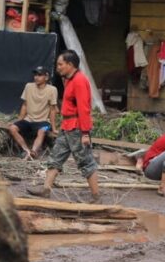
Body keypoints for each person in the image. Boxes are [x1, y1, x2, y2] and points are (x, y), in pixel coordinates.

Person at [27, 50, 100, 202]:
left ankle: (96, 196)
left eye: (60, 64)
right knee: (55, 158)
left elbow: (84, 108)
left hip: (77, 128)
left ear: (70, 64)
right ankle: (46, 190)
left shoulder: (79, 80)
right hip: (67, 126)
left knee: (85, 161)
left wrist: (85, 133)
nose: (58, 67)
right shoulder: (70, 79)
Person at [8, 66, 58, 159]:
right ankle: (26, 150)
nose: (36, 77)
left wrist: (54, 128)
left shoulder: (52, 90)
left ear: (46, 77)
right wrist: (18, 120)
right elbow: (24, 105)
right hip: (29, 120)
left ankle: (34, 151)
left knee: (42, 131)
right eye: (35, 75)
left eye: (39, 75)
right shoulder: (28, 86)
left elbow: (53, 109)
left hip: (44, 121)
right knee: (12, 128)